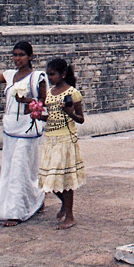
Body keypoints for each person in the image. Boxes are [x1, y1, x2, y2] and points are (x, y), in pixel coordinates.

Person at [0, 40, 46, 226]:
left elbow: (44, 102)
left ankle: (15, 212)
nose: (17, 59)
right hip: (11, 127)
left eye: (21, 55)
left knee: (21, 167)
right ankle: (35, 198)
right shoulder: (10, 75)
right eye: (15, 55)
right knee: (10, 168)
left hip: (28, 127)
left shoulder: (37, 77)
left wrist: (27, 101)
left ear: (30, 57)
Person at [35, 58, 85, 230]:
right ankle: (64, 203)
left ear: (63, 74)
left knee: (64, 178)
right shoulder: (50, 93)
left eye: (53, 74)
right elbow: (51, 116)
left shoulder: (72, 93)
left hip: (65, 138)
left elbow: (81, 119)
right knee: (49, 177)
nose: (50, 78)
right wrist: (38, 116)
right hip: (50, 137)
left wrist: (69, 112)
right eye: (48, 75)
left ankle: (70, 215)